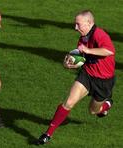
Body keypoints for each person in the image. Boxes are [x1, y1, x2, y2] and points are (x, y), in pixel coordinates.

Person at [37, 10, 116, 145]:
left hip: (104, 82)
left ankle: (106, 105)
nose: (75, 28)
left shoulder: (99, 34)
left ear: (89, 23)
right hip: (87, 75)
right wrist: (70, 63)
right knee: (68, 102)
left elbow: (109, 51)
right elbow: (82, 57)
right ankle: (48, 134)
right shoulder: (83, 37)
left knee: (93, 111)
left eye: (78, 25)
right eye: (75, 24)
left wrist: (88, 50)